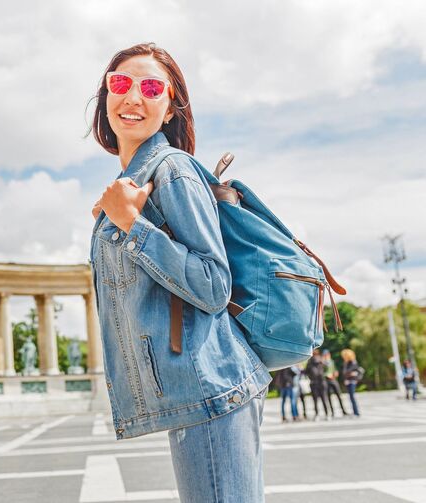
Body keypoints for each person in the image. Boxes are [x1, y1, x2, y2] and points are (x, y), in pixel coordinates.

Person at [89, 42, 271, 502]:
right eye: (120, 83)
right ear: (106, 95)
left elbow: (213, 284)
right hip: (203, 393)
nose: (133, 97)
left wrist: (131, 226)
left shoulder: (172, 171)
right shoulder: (136, 180)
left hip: (214, 390)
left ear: (170, 108)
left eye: (152, 88)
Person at [305, 348, 330, 420]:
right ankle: (325, 414)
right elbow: (327, 369)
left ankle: (320, 414)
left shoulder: (312, 361)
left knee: (317, 400)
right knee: (322, 399)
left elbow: (306, 372)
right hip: (319, 382)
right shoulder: (319, 360)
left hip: (316, 382)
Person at [322, 350, 348, 417]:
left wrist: (336, 372)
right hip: (327, 381)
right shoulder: (322, 363)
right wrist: (326, 375)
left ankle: (343, 410)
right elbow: (321, 372)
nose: (327, 356)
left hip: (334, 380)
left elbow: (334, 369)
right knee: (329, 397)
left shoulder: (332, 361)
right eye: (325, 355)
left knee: (339, 396)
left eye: (327, 354)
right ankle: (332, 411)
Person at [341, 348, 362, 417]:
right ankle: (355, 412)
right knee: (351, 397)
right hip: (348, 381)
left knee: (352, 397)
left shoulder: (353, 362)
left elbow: (350, 371)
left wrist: (349, 374)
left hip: (352, 381)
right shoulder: (346, 363)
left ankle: (356, 413)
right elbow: (345, 373)